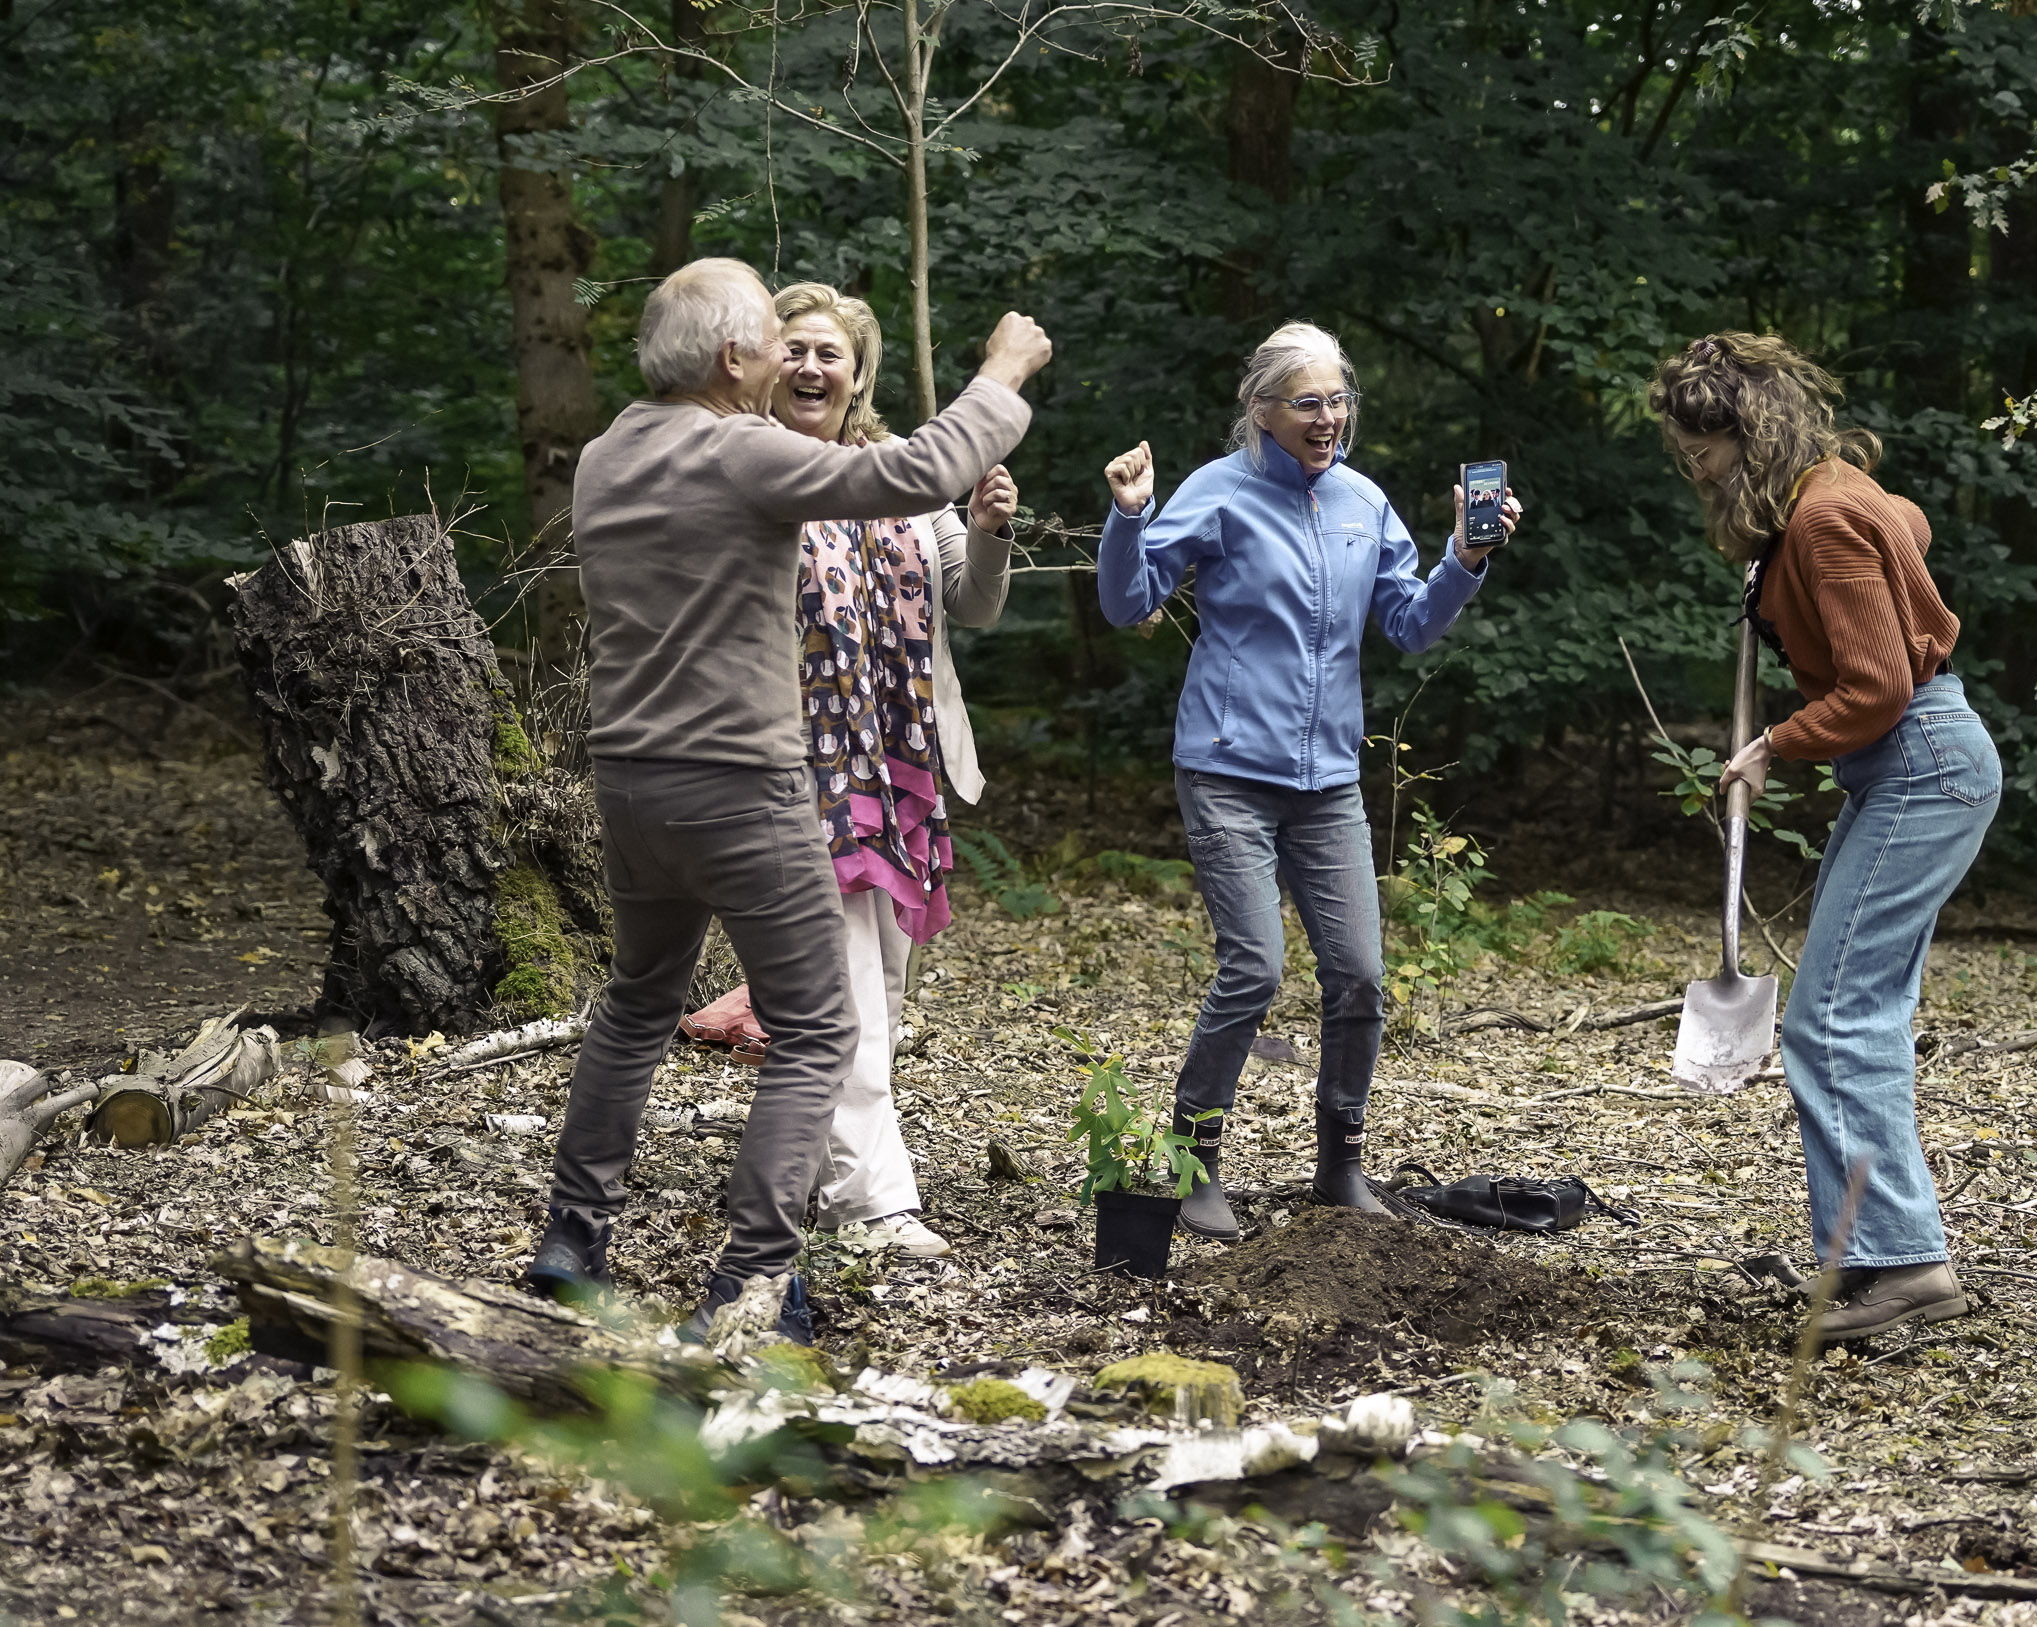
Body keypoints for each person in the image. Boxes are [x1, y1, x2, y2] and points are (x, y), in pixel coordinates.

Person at [522, 257, 1050, 1341]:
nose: (786, 353)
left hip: (629, 782)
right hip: (742, 788)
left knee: (635, 1003)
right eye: (772, 335)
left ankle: (574, 1235)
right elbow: (916, 471)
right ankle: (754, 1278)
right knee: (818, 1027)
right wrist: (1001, 375)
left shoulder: (606, 452)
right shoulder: (739, 451)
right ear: (731, 359)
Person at [1096, 321, 1520, 1242]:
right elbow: (1129, 603)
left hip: (1327, 779)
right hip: (1226, 767)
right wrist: (1129, 518)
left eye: (1338, 401)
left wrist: (1467, 557)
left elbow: (1407, 623)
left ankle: (1339, 1164)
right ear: (1263, 410)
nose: (1328, 418)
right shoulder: (1219, 491)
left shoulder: (1365, 502)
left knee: (1360, 974)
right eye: (1309, 403)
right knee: (1254, 967)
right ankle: (1194, 1161)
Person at [1649, 331, 2001, 1341]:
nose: (1694, 469)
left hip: (1921, 763)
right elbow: (1913, 528)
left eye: (1700, 451)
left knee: (1832, 1018)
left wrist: (1772, 744)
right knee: (1854, 1013)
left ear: (1743, 435)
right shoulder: (1831, 500)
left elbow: (1879, 686)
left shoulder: (1825, 514)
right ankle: (1865, 1256)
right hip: (1909, 766)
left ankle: (1908, 1269)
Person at [677, 282, 1021, 1261]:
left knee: (879, 991)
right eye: (794, 350)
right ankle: (876, 1203)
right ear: (762, 362)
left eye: (830, 353)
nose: (811, 368)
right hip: (790, 770)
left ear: (857, 371)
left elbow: (974, 600)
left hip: (894, 771)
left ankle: (823, 1168)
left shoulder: (903, 475)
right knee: (846, 994)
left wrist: (989, 528)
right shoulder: (745, 468)